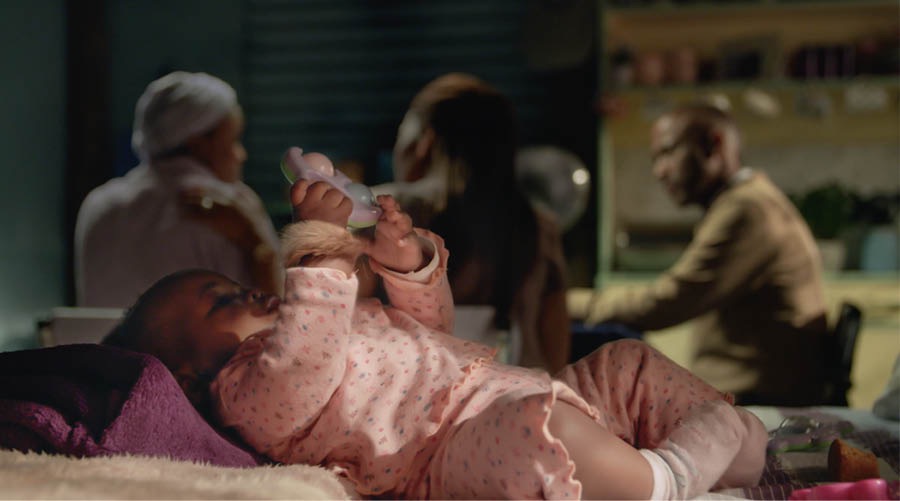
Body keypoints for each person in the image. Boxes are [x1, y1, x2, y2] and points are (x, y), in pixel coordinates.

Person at [103, 173, 767, 500]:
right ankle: (669, 475)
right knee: (534, 434)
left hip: (505, 385)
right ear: (189, 374)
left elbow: (429, 334)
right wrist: (319, 252)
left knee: (624, 363)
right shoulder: (250, 389)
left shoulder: (331, 321)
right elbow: (300, 368)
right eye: (221, 300)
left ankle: (728, 448)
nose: (249, 292)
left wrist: (404, 265)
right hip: (442, 448)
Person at [585, 103, 829, 406]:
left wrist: (572, 304)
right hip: (746, 394)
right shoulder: (746, 200)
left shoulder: (746, 210)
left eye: (669, 152)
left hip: (759, 401)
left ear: (714, 144)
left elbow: (667, 302)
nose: (659, 171)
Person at [374, 72, 571, 373]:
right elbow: (555, 354)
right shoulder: (538, 227)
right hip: (519, 404)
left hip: (405, 406)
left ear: (424, 141)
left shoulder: (378, 212)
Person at [74, 71, 282, 308]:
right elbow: (275, 317)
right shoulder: (230, 206)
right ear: (199, 144)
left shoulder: (99, 203)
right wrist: (258, 246)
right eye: (233, 140)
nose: (241, 155)